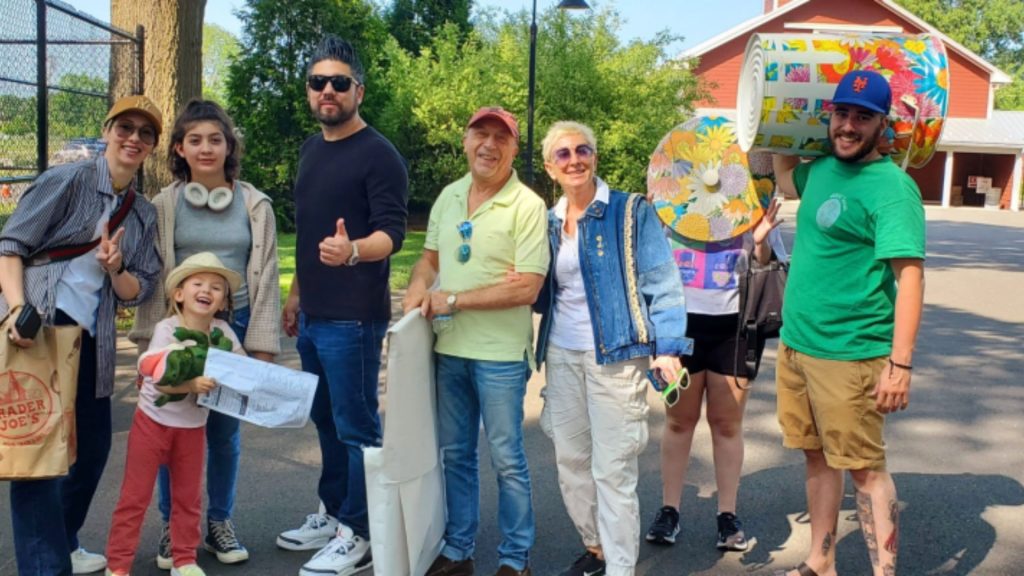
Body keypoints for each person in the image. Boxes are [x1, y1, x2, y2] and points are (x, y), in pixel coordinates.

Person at [0, 95, 163, 576]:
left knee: (91, 453)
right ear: (108, 130)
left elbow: (139, 288)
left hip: (92, 341)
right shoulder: (66, 180)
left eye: (145, 133)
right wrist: (16, 310)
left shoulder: (141, 213)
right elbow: (10, 246)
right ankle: (45, 566)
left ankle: (62, 541)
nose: (133, 138)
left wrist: (115, 269)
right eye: (125, 127)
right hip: (40, 331)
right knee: (37, 458)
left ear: (152, 146)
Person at [771, 69, 925, 576]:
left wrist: (899, 365)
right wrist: (774, 118)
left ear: (883, 124)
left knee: (864, 471)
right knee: (816, 458)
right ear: (829, 116)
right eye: (842, 113)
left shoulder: (892, 189)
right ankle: (821, 562)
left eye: (863, 117)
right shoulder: (820, 170)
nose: (849, 126)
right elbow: (785, 178)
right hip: (797, 346)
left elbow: (910, 279)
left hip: (851, 354)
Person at [529, 121, 692, 576]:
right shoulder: (546, 221)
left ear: (595, 156)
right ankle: (597, 548)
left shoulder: (630, 211)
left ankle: (621, 568)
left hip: (618, 357)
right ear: (550, 166)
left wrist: (668, 348)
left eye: (583, 150)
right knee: (571, 461)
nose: (575, 159)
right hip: (561, 355)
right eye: (564, 154)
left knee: (613, 469)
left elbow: (662, 281)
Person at [275, 35, 408, 576]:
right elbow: (309, 236)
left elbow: (393, 235)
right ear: (309, 91)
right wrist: (295, 296)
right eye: (317, 83)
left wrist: (353, 250)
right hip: (313, 316)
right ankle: (334, 514)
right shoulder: (312, 149)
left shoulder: (379, 154)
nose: (327, 91)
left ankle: (362, 532)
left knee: (356, 426)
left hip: (353, 317)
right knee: (326, 420)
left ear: (359, 90)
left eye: (339, 83)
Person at [129, 99, 280, 568]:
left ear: (229, 145)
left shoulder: (255, 205)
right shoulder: (164, 205)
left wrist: (261, 345)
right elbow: (152, 276)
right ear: (179, 148)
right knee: (172, 430)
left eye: (216, 139)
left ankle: (218, 521)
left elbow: (268, 275)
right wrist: (151, 345)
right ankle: (175, 529)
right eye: (195, 139)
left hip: (230, 327)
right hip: (179, 333)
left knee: (223, 434)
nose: (206, 147)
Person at [403, 106, 549, 576]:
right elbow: (429, 260)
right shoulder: (449, 196)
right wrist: (416, 286)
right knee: (456, 456)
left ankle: (514, 558)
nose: (488, 144)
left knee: (507, 459)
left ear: (513, 148)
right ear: (465, 140)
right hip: (449, 351)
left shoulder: (527, 204)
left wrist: (454, 299)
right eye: (479, 134)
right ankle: (458, 549)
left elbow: (527, 287)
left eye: (500, 138)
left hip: (501, 357)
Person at [645, 199, 783, 552]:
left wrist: (761, 239)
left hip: (735, 328)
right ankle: (669, 511)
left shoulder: (749, 203)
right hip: (680, 327)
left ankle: (727, 515)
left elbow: (769, 264)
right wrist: (651, 216)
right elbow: (646, 263)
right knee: (679, 421)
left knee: (726, 423)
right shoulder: (669, 204)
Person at [106, 252, 245, 576]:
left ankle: (184, 559)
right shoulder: (168, 329)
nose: (207, 291)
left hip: (193, 428)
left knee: (188, 497)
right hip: (152, 425)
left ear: (223, 300)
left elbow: (242, 369)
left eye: (216, 287)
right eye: (198, 283)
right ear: (178, 294)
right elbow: (158, 380)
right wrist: (191, 383)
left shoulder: (223, 332)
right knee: (134, 497)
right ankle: (118, 564)